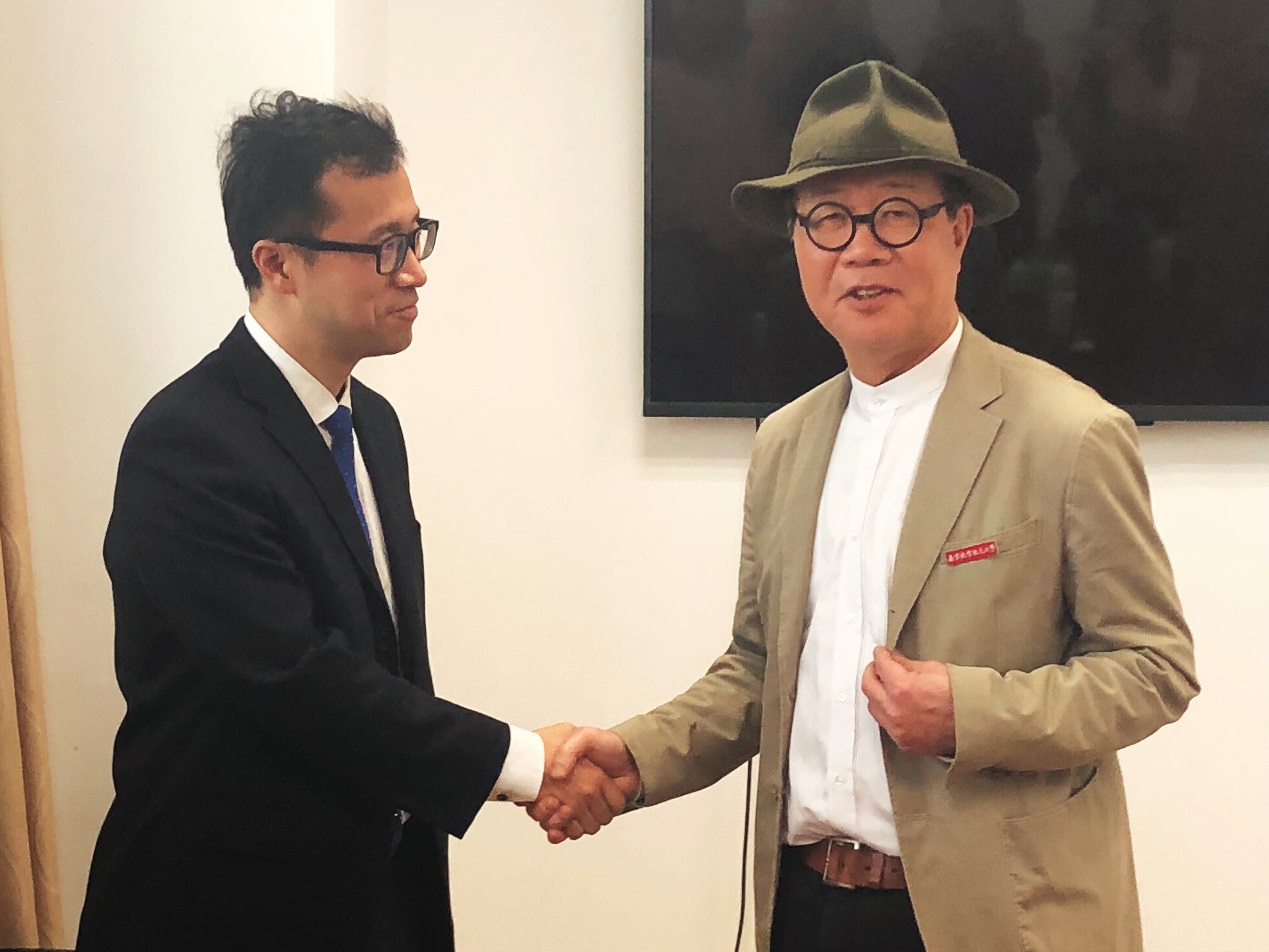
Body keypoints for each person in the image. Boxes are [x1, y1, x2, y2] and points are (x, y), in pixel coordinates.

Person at [535, 61, 1198, 952]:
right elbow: (757, 669)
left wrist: (969, 712)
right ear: (797, 242)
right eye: (827, 218)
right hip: (808, 907)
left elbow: (1153, 668)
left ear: (957, 230)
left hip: (994, 920)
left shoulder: (1066, 432)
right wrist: (636, 754)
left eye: (894, 214)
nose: (859, 248)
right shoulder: (786, 441)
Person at [75, 90, 633, 952]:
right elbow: (300, 679)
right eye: (383, 247)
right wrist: (524, 763)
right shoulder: (186, 443)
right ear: (279, 264)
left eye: (415, 235)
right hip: (225, 908)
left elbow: (388, 666)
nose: (414, 271)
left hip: (382, 897)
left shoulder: (372, 424)